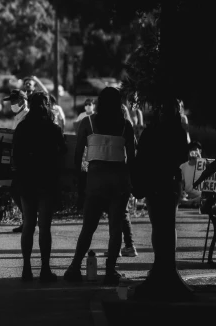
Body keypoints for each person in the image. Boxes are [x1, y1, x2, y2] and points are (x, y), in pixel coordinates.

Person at [64, 87, 136, 285]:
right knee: (115, 229)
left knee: (88, 227)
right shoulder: (125, 125)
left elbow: (78, 153)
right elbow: (132, 157)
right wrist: (133, 182)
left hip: (95, 181)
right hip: (119, 182)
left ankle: (75, 267)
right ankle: (110, 270)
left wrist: (78, 181)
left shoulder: (88, 123)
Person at [131, 97, 193, 301]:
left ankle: (160, 266)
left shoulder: (151, 132)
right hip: (170, 184)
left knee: (158, 225)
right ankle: (167, 267)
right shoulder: (179, 132)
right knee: (169, 225)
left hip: (153, 183)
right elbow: (183, 157)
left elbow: (141, 157)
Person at [11, 92, 66, 282]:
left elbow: (14, 155)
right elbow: (63, 153)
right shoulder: (53, 128)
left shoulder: (22, 127)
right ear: (47, 106)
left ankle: (26, 269)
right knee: (44, 227)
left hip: (26, 181)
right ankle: (44, 269)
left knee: (28, 225)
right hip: (47, 181)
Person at [0, 88, 29, 233]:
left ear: (23, 101)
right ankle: (26, 219)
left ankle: (28, 220)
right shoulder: (18, 116)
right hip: (16, 157)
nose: (12, 104)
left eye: (14, 101)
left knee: (19, 189)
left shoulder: (27, 116)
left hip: (25, 159)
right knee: (14, 189)